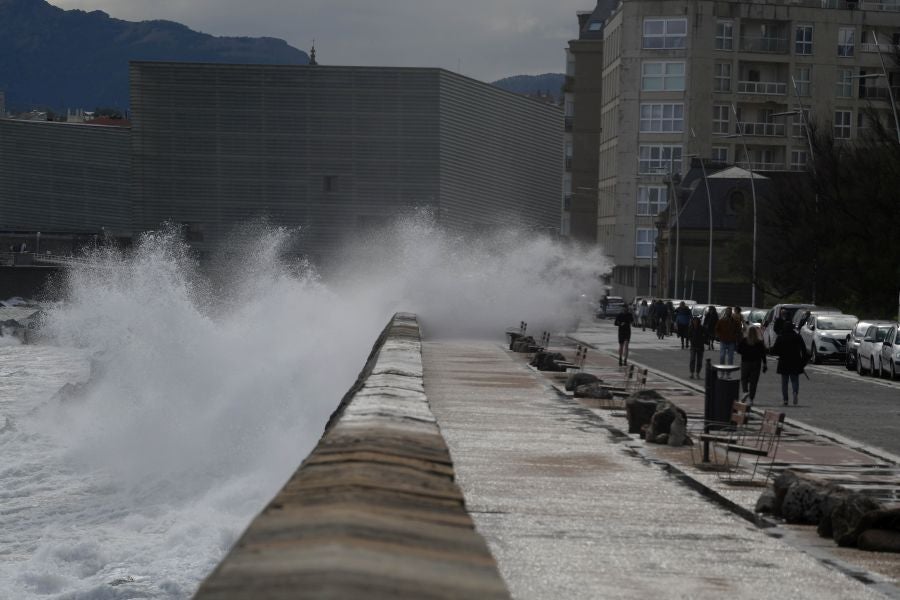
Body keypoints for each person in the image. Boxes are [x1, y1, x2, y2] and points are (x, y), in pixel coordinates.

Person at [772, 323, 807, 406]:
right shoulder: (797, 336)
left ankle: (785, 400)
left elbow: (774, 350)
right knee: (794, 380)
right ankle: (795, 392)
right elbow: (804, 349)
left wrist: (780, 353)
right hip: (795, 360)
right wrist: (803, 362)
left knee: (784, 382)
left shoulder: (780, 337)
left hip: (784, 361)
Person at [737, 325, 767, 406]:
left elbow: (738, 350)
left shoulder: (744, 341)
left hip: (745, 362)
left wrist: (744, 352)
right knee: (754, 382)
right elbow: (763, 354)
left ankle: (745, 392)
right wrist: (765, 363)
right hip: (756, 363)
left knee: (744, 378)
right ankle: (751, 399)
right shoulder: (759, 342)